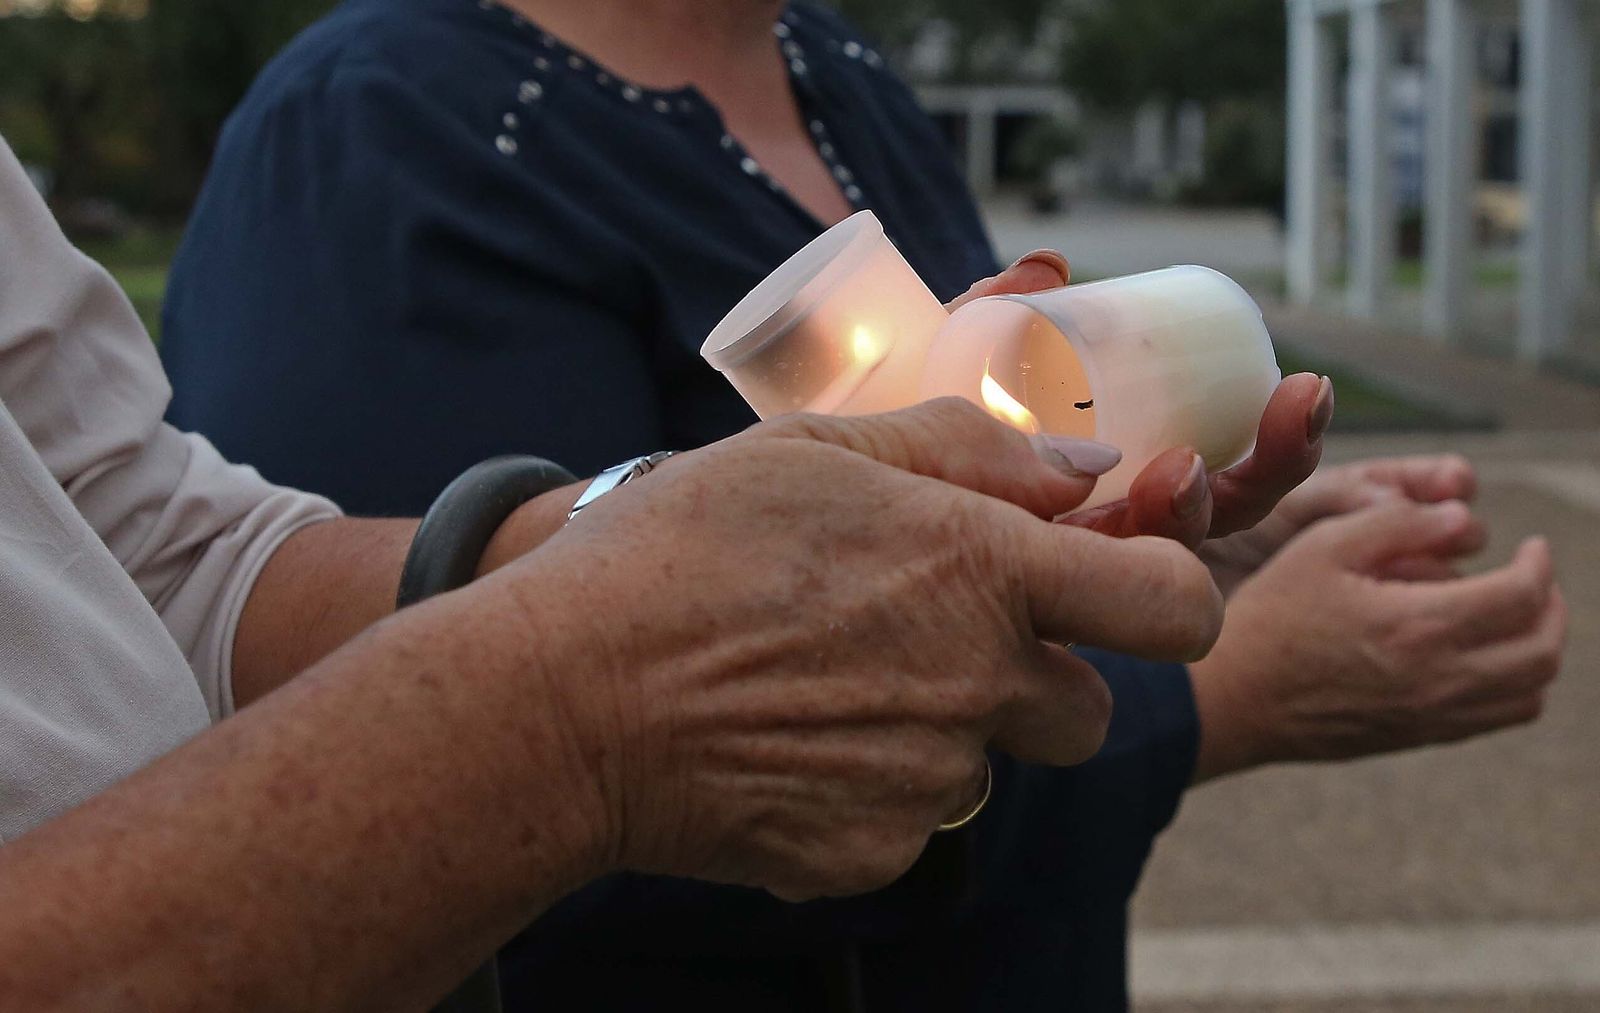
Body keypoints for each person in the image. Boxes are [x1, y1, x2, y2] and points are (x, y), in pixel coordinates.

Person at [158, 0, 1567, 1008]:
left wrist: (1214, 527)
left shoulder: (837, 71)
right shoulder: (376, 134)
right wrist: (1226, 698)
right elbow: (415, 787)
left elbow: (990, 451)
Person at [0, 132, 1235, 1008]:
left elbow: (140, 542)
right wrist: (576, 707)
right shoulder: (378, 127)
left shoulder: (846, 80)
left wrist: (656, 533)